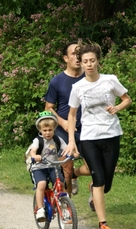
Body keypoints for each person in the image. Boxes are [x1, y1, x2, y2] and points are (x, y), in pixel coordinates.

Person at [62, 41, 132, 229]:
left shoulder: (110, 80)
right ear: (81, 64)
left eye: (92, 60)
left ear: (98, 62)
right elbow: (72, 114)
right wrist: (71, 141)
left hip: (111, 135)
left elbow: (127, 99)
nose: (89, 64)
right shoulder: (78, 87)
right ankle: (103, 226)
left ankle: (79, 177)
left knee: (106, 182)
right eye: (85, 61)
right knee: (99, 178)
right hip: (89, 138)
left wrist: (117, 108)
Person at [45, 41, 90, 196]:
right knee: (67, 169)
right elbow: (48, 107)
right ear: (65, 58)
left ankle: (80, 176)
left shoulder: (89, 78)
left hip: (87, 129)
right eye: (73, 54)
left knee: (94, 169)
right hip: (63, 130)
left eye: (80, 54)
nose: (77, 57)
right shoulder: (57, 81)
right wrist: (62, 121)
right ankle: (67, 208)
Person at [29, 111, 67, 222]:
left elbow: (66, 148)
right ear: (40, 130)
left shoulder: (57, 139)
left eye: (50, 130)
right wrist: (35, 156)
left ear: (54, 129)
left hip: (53, 167)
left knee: (60, 183)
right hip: (39, 167)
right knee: (42, 184)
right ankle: (40, 209)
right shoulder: (38, 140)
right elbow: (33, 151)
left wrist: (73, 153)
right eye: (44, 130)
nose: (47, 133)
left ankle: (64, 207)